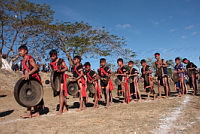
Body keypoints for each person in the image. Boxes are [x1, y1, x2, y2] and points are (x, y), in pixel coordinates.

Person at [18, 45, 44, 118]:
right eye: (19, 51)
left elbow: (36, 68)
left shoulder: (30, 58)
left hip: (34, 79)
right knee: (28, 95)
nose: (19, 52)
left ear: (25, 51)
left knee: (34, 95)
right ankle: (30, 112)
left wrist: (28, 74)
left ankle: (34, 112)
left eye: (21, 51)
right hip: (28, 79)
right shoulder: (23, 60)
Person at [49, 49, 68, 115]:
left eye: (53, 56)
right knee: (59, 94)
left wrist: (60, 70)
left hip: (61, 78)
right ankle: (64, 107)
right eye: (51, 56)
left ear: (56, 55)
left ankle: (60, 110)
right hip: (56, 80)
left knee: (61, 94)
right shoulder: (51, 63)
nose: (52, 57)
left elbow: (66, 68)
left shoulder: (60, 61)